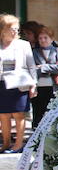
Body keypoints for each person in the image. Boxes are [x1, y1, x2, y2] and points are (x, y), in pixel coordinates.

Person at [0, 14, 36, 153]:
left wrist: (34, 85)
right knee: (3, 114)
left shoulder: (23, 45)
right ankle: (6, 142)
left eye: (17, 29)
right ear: (3, 29)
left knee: (18, 114)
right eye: (12, 29)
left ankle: (19, 144)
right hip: (2, 83)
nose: (15, 32)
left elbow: (31, 66)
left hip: (18, 83)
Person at [32, 26, 58, 127]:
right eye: (40, 38)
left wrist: (43, 68)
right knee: (38, 112)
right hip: (39, 86)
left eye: (45, 37)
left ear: (51, 38)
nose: (43, 40)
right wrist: (51, 68)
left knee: (53, 111)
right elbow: (32, 68)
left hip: (55, 86)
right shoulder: (34, 52)